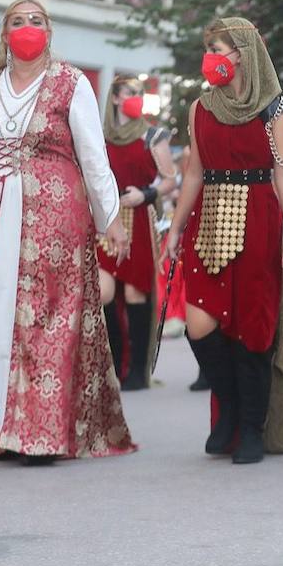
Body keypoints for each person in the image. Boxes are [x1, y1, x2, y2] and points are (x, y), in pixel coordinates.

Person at [0, 0, 135, 464]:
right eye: (18, 21)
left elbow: (93, 156)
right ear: (4, 34)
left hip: (55, 221)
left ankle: (40, 433)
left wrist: (111, 219)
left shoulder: (70, 83)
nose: (28, 27)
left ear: (50, 32)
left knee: (48, 319)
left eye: (37, 21)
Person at [165, 17, 283, 465]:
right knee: (199, 324)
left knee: (253, 328)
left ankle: (251, 428)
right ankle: (228, 408)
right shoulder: (200, 108)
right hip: (210, 220)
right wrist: (175, 227)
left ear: (241, 54)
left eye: (218, 49)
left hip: (260, 218)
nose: (210, 59)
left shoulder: (274, 110)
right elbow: (193, 173)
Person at [97, 74, 177, 391]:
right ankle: (116, 362)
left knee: (134, 291)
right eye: (130, 92)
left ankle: (137, 371)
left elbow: (170, 181)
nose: (136, 97)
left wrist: (145, 195)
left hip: (139, 218)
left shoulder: (152, 136)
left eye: (139, 93)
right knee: (103, 292)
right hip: (105, 219)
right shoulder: (99, 136)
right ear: (115, 98)